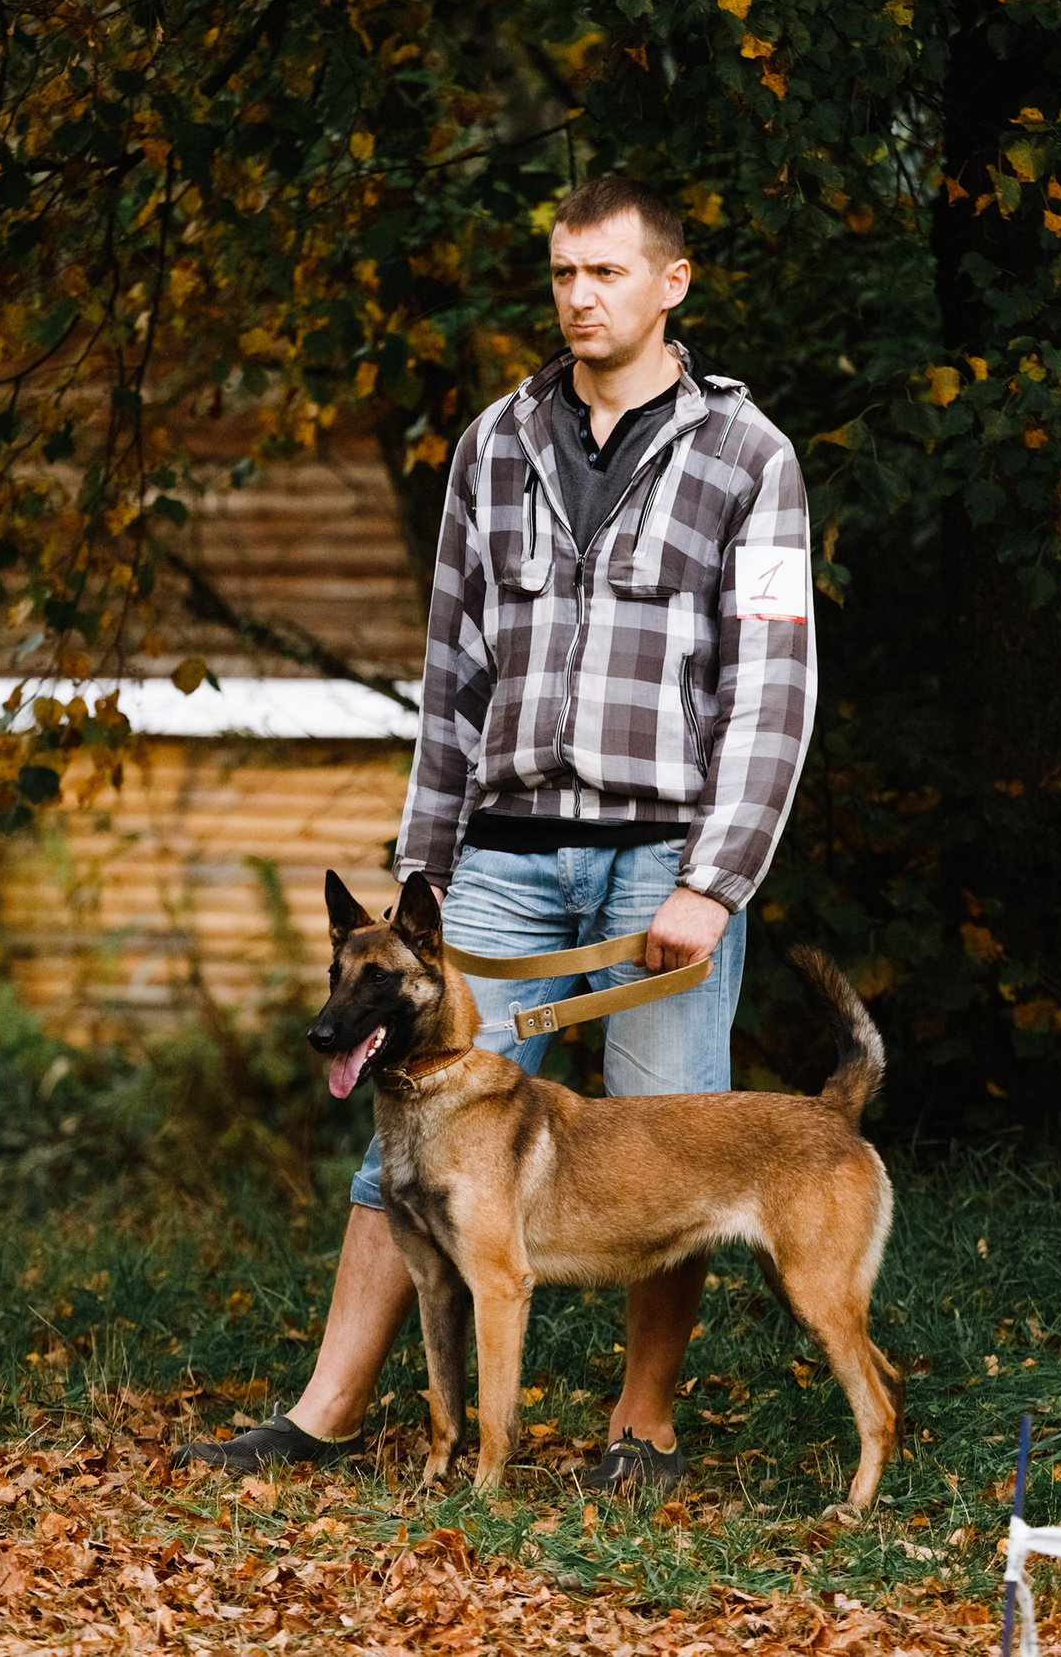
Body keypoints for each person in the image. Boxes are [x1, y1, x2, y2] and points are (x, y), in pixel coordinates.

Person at [181, 177, 819, 1495]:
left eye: (607, 272)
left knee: (667, 1137)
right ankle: (329, 1411)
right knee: (408, 1128)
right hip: (505, 859)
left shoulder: (749, 458)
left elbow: (776, 686)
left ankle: (640, 1430)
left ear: (671, 284)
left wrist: (718, 878)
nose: (581, 296)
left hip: (665, 860)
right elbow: (454, 672)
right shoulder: (495, 442)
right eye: (563, 274)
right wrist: (426, 873)